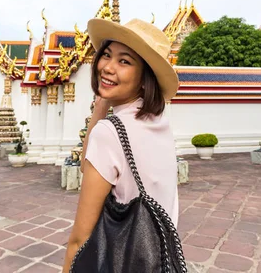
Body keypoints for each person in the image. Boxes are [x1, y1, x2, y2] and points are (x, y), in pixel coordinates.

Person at [62, 18, 180, 272]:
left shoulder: (109, 133)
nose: (107, 67)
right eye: (106, 55)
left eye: (124, 61)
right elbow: (89, 164)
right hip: (161, 261)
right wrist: (102, 105)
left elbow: (80, 239)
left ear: (143, 77)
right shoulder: (161, 124)